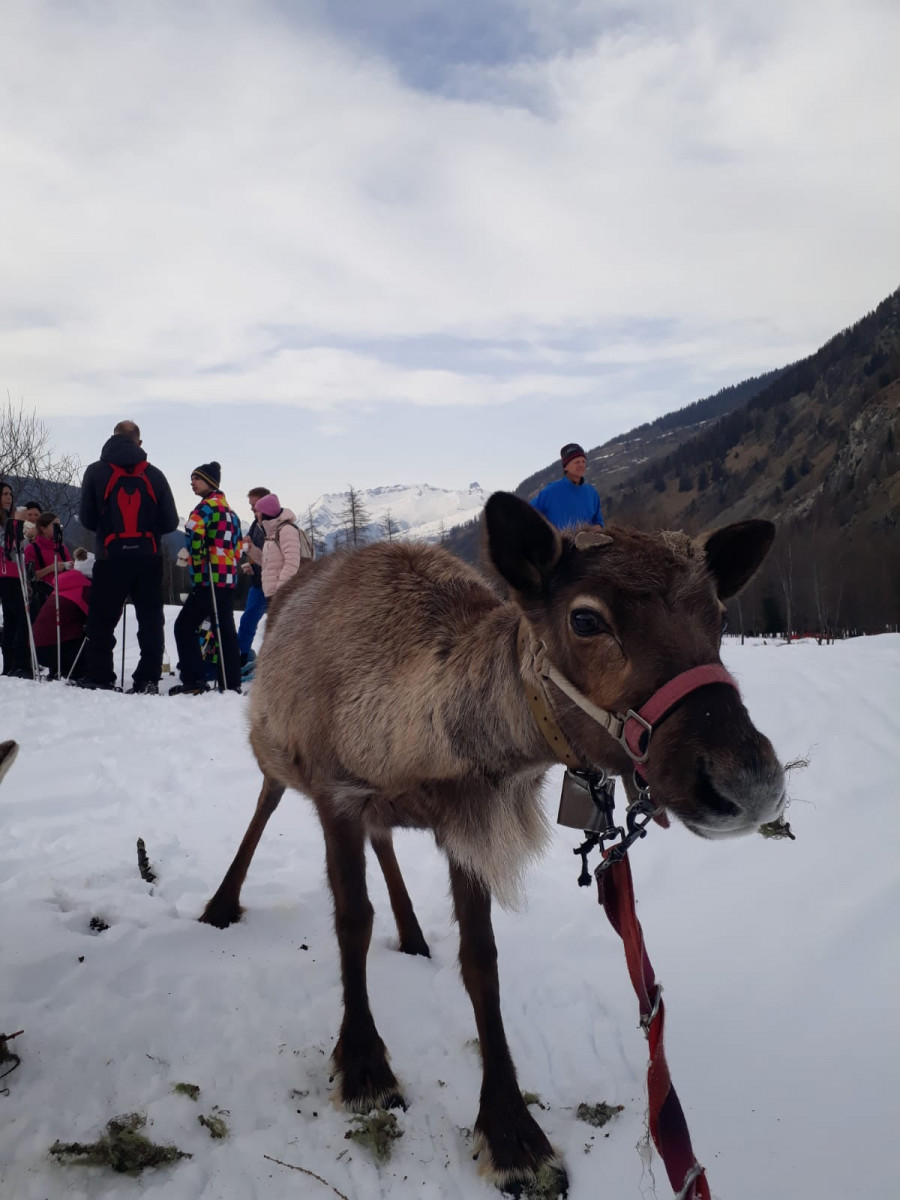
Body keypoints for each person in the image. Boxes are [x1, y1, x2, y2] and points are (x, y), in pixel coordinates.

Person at [78, 420, 178, 693]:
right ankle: (147, 679)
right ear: (139, 443)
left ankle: (101, 677)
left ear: (112, 438)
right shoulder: (154, 474)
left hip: (110, 557)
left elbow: (87, 518)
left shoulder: (96, 471)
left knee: (101, 620)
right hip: (148, 559)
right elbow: (170, 522)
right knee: (150, 621)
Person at [172, 461, 242, 695]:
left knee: (184, 626)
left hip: (208, 579)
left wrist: (199, 557)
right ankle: (231, 683)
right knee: (226, 631)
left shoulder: (205, 508)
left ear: (210, 482)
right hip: (227, 578)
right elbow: (239, 546)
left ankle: (193, 681)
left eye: (197, 478)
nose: (192, 483)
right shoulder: (232, 513)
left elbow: (193, 531)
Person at [32, 551, 92, 680]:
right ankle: (78, 671)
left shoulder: (64, 585)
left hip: (37, 648)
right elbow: (96, 619)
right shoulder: (84, 587)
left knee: (66, 626)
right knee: (93, 635)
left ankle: (58, 669)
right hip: (56, 649)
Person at [530, 442, 605, 531]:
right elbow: (527, 513)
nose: (581, 465)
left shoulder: (592, 493)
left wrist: (596, 528)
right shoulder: (550, 492)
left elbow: (598, 522)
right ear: (566, 467)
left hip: (586, 544)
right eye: (577, 462)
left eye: (583, 461)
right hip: (558, 543)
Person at [0, 481, 32, 676]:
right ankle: (20, 663)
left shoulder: (9, 520)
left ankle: (10, 665)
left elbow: (18, 551)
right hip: (4, 573)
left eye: (10, 494)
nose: (8, 497)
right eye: (4, 494)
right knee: (22, 617)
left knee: (12, 619)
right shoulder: (6, 524)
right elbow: (8, 546)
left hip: (14, 572)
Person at [237, 487, 271, 669]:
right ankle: (241, 656)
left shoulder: (277, 527)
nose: (252, 509)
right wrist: (251, 565)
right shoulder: (254, 525)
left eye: (255, 505)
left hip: (275, 584)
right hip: (258, 582)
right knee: (248, 620)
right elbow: (251, 547)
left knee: (274, 623)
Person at [254, 492, 311, 599]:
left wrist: (281, 591)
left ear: (265, 513)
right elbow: (267, 563)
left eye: (258, 511)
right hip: (273, 594)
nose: (256, 514)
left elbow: (292, 563)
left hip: (283, 595)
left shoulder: (286, 531)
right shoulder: (271, 532)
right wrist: (249, 549)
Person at [25, 512, 73, 618]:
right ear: (43, 528)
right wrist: (51, 568)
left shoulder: (61, 548)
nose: (58, 529)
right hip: (44, 596)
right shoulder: (32, 549)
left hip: (64, 593)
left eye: (59, 526)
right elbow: (30, 576)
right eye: (55, 525)